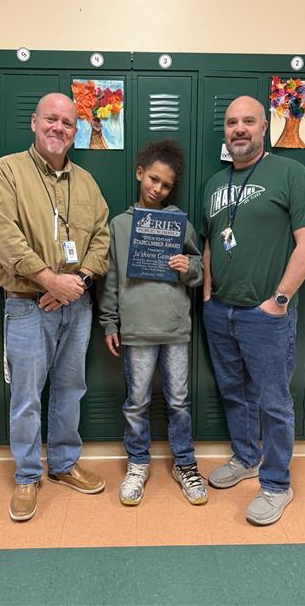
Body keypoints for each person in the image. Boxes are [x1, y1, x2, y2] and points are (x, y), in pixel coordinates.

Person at [0, 93, 110, 522]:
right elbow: (5, 239)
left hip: (77, 306)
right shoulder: (7, 172)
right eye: (51, 119)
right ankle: (27, 474)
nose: (59, 128)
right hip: (26, 305)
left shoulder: (88, 183)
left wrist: (78, 283)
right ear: (35, 123)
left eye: (68, 123)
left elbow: (101, 240)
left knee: (71, 390)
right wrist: (49, 280)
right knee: (26, 397)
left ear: (76, 132)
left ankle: (63, 463)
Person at [202, 96, 305, 525]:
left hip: (265, 316)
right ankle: (246, 457)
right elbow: (208, 242)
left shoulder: (290, 173)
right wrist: (206, 294)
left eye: (248, 121)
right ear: (226, 131)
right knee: (235, 393)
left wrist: (279, 301)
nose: (239, 128)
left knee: (273, 402)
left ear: (263, 128)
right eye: (232, 122)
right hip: (220, 311)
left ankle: (276, 484)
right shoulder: (215, 183)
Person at [99, 140, 208, 506]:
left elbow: (199, 269)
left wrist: (187, 267)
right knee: (137, 401)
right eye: (153, 179)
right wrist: (110, 322)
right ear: (140, 173)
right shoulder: (119, 225)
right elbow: (111, 277)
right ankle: (138, 462)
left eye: (165, 185)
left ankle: (185, 463)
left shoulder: (180, 223)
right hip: (137, 330)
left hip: (175, 328)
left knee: (179, 401)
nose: (157, 189)